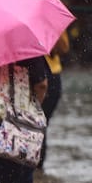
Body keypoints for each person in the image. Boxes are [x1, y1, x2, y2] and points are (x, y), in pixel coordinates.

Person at [40, 31, 70, 170]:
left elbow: (63, 47)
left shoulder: (47, 14)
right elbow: (64, 47)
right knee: (39, 125)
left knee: (38, 124)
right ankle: (36, 171)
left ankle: (36, 170)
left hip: (48, 74)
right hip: (46, 74)